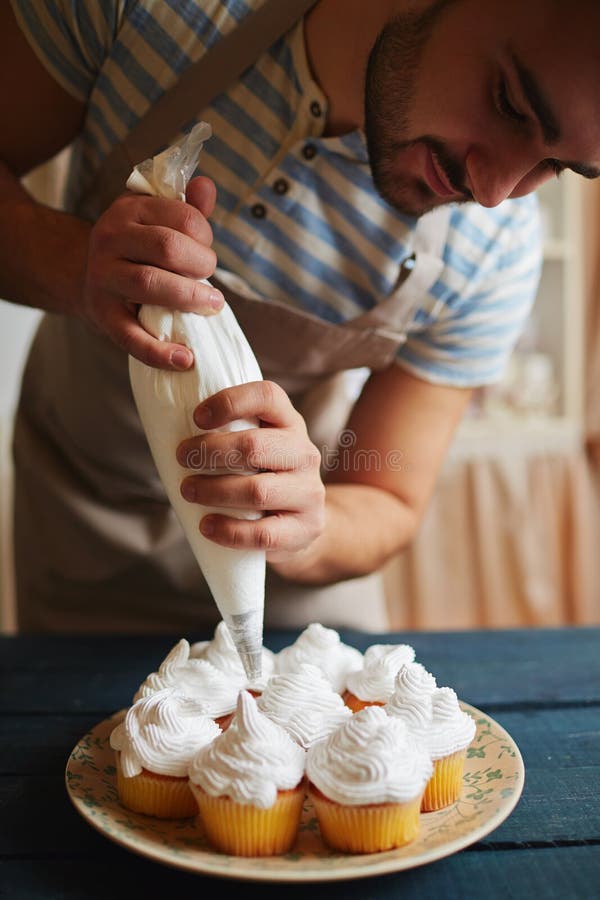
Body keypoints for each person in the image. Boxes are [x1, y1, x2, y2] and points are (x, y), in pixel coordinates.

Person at [1, 0, 598, 634]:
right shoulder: (144, 11)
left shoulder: (495, 249)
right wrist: (77, 268)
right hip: (85, 545)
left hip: (294, 600)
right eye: (508, 102)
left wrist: (306, 528)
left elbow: (386, 492)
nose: (492, 190)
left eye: (557, 165)